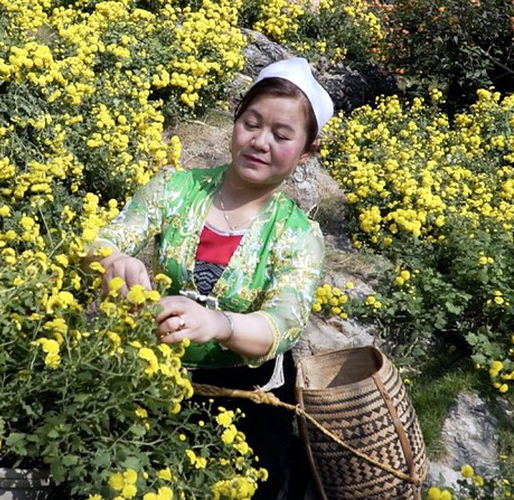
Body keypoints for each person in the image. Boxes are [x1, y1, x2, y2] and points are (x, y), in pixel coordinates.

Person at [89, 57, 332, 499]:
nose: (260, 142)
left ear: (306, 150)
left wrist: (219, 325)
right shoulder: (175, 189)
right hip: (153, 373)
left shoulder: (298, 234)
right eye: (251, 124)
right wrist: (113, 263)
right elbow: (104, 241)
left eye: (281, 135)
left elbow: (284, 322)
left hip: (245, 396)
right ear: (235, 122)